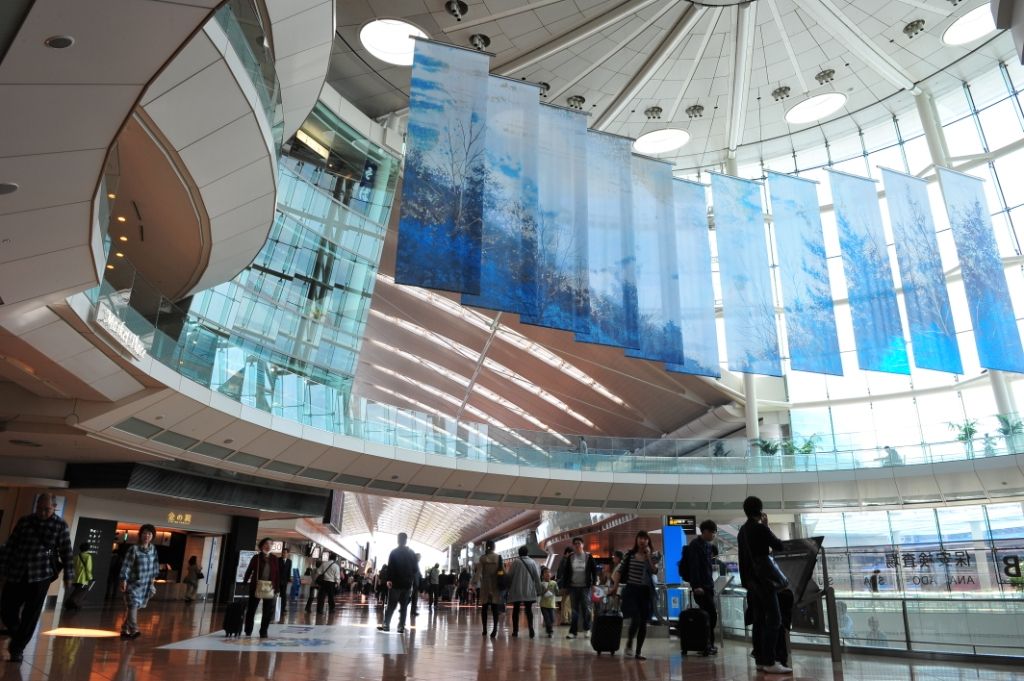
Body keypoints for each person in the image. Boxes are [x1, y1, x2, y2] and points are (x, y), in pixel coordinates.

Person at [1, 493, 73, 662]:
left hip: (40, 575)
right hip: (17, 572)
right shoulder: (25, 521)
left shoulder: (60, 525)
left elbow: (66, 552)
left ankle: (17, 648)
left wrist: (69, 575)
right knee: (6, 610)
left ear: (54, 507)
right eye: (39, 509)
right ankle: (19, 636)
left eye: (46, 509)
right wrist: (3, 568)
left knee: (30, 614)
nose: (42, 512)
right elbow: (11, 545)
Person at [738, 496, 792, 675]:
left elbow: (743, 558)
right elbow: (779, 546)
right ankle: (770, 660)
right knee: (775, 619)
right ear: (760, 511)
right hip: (765, 582)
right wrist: (766, 526)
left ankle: (761, 659)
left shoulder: (742, 531)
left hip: (752, 583)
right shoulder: (760, 528)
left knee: (759, 620)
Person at [610, 531, 657, 661]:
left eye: (645, 538)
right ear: (637, 540)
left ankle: (638, 652)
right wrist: (615, 587)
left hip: (645, 592)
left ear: (648, 541)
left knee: (643, 622)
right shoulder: (629, 555)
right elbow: (619, 572)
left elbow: (654, 570)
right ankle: (630, 642)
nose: (642, 541)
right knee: (636, 618)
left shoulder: (652, 556)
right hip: (632, 591)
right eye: (640, 538)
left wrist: (648, 557)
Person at [681, 519, 719, 654]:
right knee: (709, 615)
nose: (714, 535)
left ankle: (708, 644)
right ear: (706, 531)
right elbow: (694, 567)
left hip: (708, 586)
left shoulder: (708, 546)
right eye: (713, 532)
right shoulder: (695, 546)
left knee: (710, 616)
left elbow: (707, 568)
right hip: (700, 587)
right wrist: (696, 586)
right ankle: (705, 645)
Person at [119, 523, 159, 640]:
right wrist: (123, 579)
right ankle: (134, 629)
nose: (146, 535)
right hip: (133, 583)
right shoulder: (134, 549)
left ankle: (124, 629)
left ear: (152, 536)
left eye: (149, 534)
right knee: (133, 605)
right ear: (140, 535)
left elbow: (155, 566)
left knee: (135, 606)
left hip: (145, 584)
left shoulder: (153, 550)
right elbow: (127, 565)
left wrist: (152, 581)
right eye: (144, 533)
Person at [557, 536, 597, 640]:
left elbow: (594, 571)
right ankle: (573, 632)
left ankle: (587, 629)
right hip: (573, 587)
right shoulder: (570, 557)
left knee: (586, 609)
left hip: (585, 587)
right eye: (575, 543)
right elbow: (566, 573)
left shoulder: (588, 557)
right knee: (574, 610)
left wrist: (594, 584)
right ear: (573, 546)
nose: (577, 545)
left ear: (583, 545)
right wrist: (565, 587)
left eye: (579, 543)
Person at [377, 533, 418, 634]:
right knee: (404, 607)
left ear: (398, 540)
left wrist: (389, 580)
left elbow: (390, 568)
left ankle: (386, 625)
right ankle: (401, 627)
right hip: (407, 585)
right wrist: (410, 578)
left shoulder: (394, 552)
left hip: (395, 584)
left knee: (391, 605)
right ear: (406, 540)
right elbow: (415, 569)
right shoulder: (411, 553)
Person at [242, 538, 280, 638]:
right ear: (262, 546)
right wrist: (245, 583)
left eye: (271, 544)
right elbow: (249, 570)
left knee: (267, 612)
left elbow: (277, 574)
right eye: (266, 544)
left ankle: (263, 631)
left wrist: (277, 589)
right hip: (256, 586)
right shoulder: (256, 558)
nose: (268, 546)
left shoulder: (275, 559)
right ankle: (248, 630)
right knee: (251, 610)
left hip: (270, 587)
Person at [506, 545, 542, 638]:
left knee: (516, 610)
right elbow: (537, 577)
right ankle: (531, 628)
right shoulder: (532, 562)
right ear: (527, 553)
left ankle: (515, 630)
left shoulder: (515, 562)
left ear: (519, 553)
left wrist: (508, 587)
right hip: (528, 590)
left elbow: (510, 576)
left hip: (517, 590)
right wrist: (539, 590)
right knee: (528, 610)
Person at [476, 540, 503, 639]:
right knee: (495, 608)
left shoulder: (482, 558)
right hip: (495, 585)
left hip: (485, 585)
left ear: (486, 547)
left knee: (484, 608)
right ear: (494, 547)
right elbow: (502, 571)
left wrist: (474, 583)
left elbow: (478, 572)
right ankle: (495, 628)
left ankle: (484, 629)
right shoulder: (498, 558)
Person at [66, 542, 94, 611]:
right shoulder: (88, 556)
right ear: (88, 548)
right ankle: (72, 604)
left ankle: (72, 605)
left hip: (75, 578)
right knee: (78, 593)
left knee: (76, 591)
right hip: (82, 578)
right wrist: (90, 578)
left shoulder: (76, 557)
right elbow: (88, 568)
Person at [538, 566, 559, 638]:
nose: (547, 574)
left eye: (549, 572)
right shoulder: (541, 584)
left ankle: (548, 628)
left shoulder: (554, 583)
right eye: (545, 573)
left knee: (552, 618)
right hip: (543, 605)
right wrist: (544, 591)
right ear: (542, 575)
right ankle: (550, 631)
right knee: (547, 618)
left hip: (551, 604)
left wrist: (558, 590)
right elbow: (539, 593)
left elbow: (557, 592)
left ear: (551, 574)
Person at [278, 547, 293, 617]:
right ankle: (275, 606)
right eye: (283, 552)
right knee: (276, 593)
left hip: (285, 580)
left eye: (285, 553)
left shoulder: (289, 561)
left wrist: (289, 579)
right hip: (278, 580)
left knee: (283, 594)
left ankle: (283, 607)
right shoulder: (278, 560)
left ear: (288, 554)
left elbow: (289, 571)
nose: (284, 554)